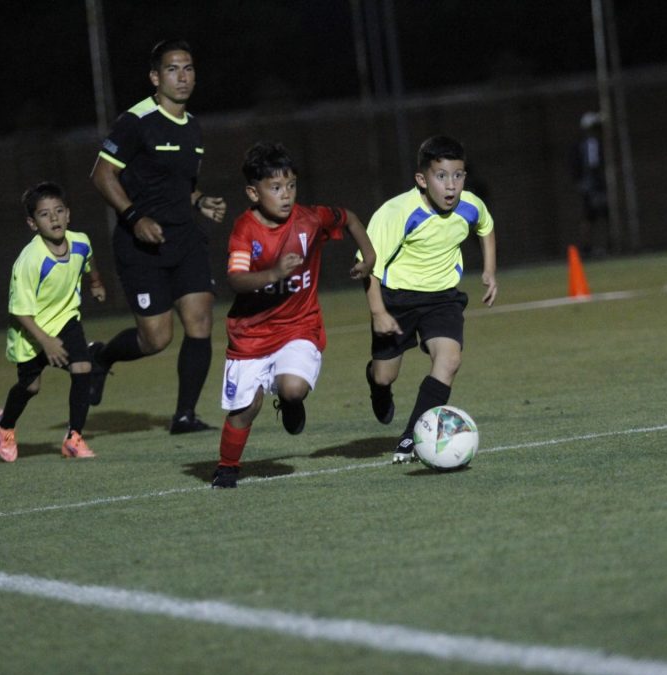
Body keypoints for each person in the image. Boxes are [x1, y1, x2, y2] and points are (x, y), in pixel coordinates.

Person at [210, 142, 376, 488]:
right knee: (245, 409)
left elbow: (349, 218)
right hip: (250, 335)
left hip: (299, 326)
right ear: (253, 193)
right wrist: (273, 274)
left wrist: (369, 255)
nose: (286, 195)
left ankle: (290, 401)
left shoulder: (309, 219)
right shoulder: (245, 230)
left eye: (291, 185)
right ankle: (227, 466)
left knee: (294, 387)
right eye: (275, 188)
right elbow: (236, 279)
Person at [88, 39, 227, 434]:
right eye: (172, 69)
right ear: (155, 77)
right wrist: (134, 217)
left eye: (188, 69)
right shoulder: (135, 121)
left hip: (185, 240)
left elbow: (177, 185)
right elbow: (101, 175)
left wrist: (199, 202)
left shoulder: (194, 126)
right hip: (140, 245)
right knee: (156, 339)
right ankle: (102, 357)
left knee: (200, 320)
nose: (182, 77)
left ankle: (185, 415)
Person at [362, 135, 497, 463]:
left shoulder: (469, 205)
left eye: (458, 175)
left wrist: (490, 271)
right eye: (441, 176)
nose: (451, 186)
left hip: (443, 299)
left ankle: (411, 437)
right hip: (396, 301)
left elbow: (486, 227)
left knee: (449, 360)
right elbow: (369, 268)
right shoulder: (396, 212)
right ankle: (377, 387)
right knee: (385, 374)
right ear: (422, 179)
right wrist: (378, 311)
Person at [0, 181, 107, 462]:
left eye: (59, 210)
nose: (53, 218)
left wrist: (96, 283)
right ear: (32, 223)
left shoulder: (80, 241)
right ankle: (4, 424)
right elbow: (19, 310)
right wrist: (45, 341)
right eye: (44, 214)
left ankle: (73, 438)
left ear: (68, 214)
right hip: (30, 331)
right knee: (31, 387)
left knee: (83, 368)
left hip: (66, 319)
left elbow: (88, 262)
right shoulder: (30, 261)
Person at [572, 111, 609, 257]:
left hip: (590, 184)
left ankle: (594, 246)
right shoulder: (591, 143)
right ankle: (589, 247)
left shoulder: (586, 143)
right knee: (591, 216)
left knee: (594, 216)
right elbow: (593, 164)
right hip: (593, 185)